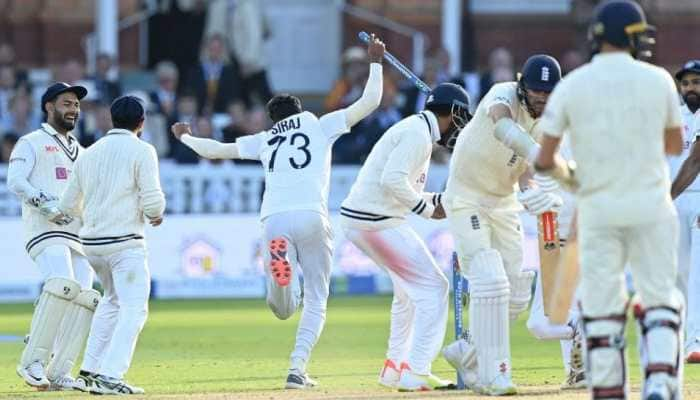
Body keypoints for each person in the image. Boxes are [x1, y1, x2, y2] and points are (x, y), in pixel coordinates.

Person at [170, 34, 385, 389]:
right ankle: (297, 369)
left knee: (282, 309)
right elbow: (370, 101)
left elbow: (215, 151)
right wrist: (376, 61)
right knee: (317, 298)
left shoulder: (266, 139)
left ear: (272, 120)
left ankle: (282, 272)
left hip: (274, 218)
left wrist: (185, 137)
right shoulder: (320, 124)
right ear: (300, 112)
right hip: (312, 215)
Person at [535, 1, 684, 399]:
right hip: (651, 205)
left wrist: (576, 176)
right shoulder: (659, 80)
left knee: (601, 307)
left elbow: (545, 160)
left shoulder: (572, 84)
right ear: (632, 37)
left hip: (598, 210)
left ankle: (609, 390)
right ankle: (657, 380)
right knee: (660, 298)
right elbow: (673, 145)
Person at [440, 54, 563, 395]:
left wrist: (533, 192)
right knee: (490, 280)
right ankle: (496, 376)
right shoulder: (502, 93)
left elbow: (524, 167)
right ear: (523, 85)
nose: (542, 98)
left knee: (516, 293)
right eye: (536, 91)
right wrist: (540, 154)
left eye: (549, 92)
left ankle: (470, 354)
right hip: (467, 197)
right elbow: (500, 124)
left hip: (504, 202)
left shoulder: (550, 118)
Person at [340, 82, 472, 391]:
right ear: (452, 112)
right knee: (434, 287)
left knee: (407, 293)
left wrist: (436, 200)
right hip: (375, 222)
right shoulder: (417, 135)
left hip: (369, 219)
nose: (460, 126)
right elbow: (392, 181)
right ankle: (417, 371)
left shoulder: (417, 130)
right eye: (461, 118)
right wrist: (427, 210)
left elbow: (400, 185)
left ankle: (395, 368)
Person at [56, 95, 166, 395]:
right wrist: (155, 214)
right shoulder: (142, 150)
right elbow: (153, 199)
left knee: (111, 302)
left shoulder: (88, 153)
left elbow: (68, 204)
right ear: (141, 123)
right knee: (134, 309)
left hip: (92, 245)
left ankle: (90, 371)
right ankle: (111, 375)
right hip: (124, 245)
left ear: (111, 119)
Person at [8, 82, 98, 391]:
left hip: (79, 235)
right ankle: (32, 361)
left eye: (76, 104)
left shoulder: (83, 152)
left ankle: (60, 370)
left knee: (85, 297)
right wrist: (47, 206)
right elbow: (16, 182)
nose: (73, 109)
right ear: (49, 106)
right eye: (66, 103)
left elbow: (91, 196)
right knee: (63, 285)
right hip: (45, 230)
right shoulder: (31, 142)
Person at [524, 136, 586, 390]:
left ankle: (587, 336)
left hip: (580, 240)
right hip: (550, 239)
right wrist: (528, 192)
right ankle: (579, 372)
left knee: (543, 321)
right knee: (549, 320)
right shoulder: (546, 134)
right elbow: (526, 172)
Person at [669, 59, 700, 363]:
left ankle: (695, 341)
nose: (691, 89)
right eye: (686, 83)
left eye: (697, 83)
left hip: (697, 197)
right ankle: (679, 340)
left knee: (698, 275)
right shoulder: (671, 118)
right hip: (675, 202)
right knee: (678, 273)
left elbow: (695, 161)